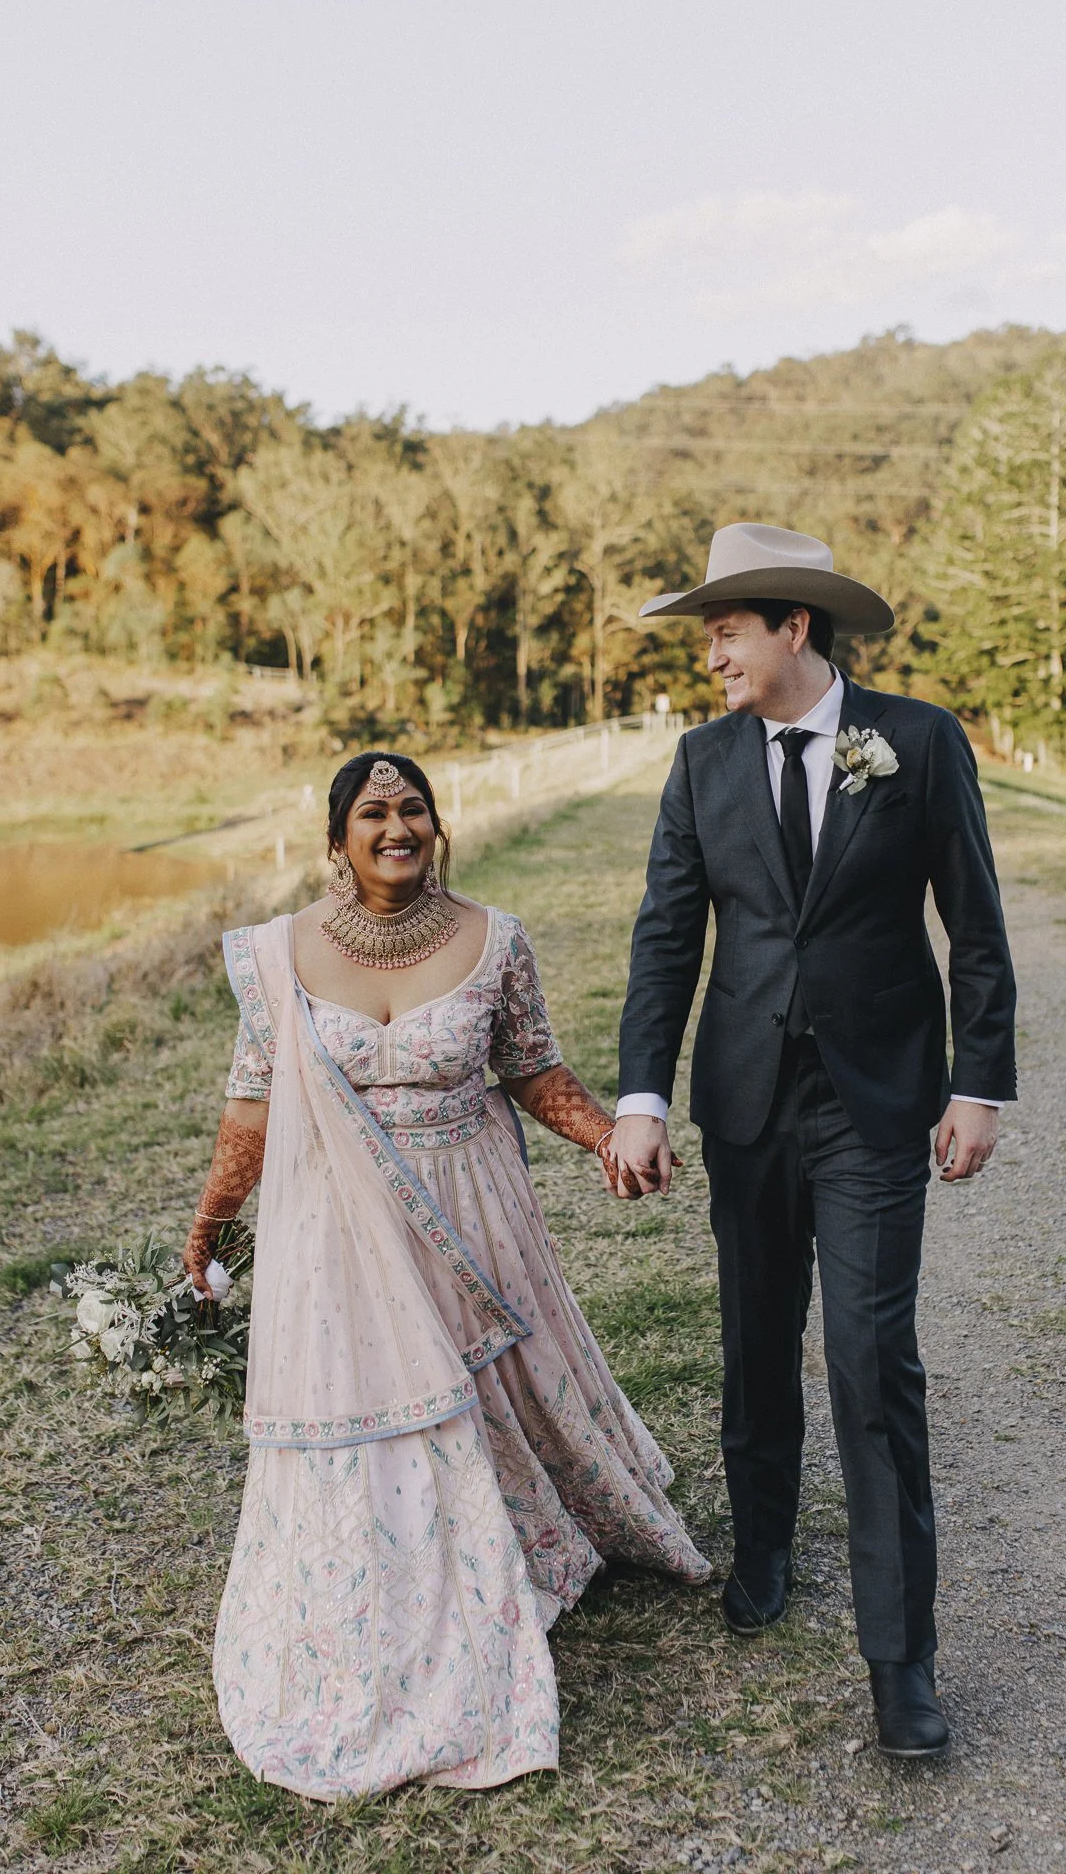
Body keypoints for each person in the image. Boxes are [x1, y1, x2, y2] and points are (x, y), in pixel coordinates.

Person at [182, 750, 708, 1801]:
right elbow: (253, 1107)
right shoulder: (274, 957)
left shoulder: (494, 939)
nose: (396, 825)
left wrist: (612, 1137)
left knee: (493, 1401)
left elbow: (532, 1069)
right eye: (373, 811)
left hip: (471, 1207)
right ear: (337, 840)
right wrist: (211, 1221)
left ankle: (510, 1538)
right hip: (335, 1224)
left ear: (437, 826)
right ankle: (386, 1590)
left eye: (413, 807)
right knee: (378, 1413)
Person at [606, 523, 1016, 1759]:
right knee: (753, 1332)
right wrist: (641, 1092)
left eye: (726, 626)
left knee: (870, 1355)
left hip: (877, 1096)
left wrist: (979, 1084)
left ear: (794, 627)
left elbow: (977, 926)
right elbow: (667, 933)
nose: (711, 650)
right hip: (744, 1098)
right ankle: (767, 1539)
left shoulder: (921, 739)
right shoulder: (699, 761)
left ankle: (901, 1663)